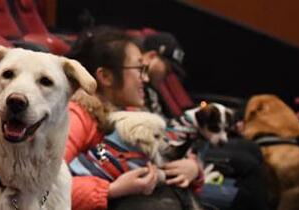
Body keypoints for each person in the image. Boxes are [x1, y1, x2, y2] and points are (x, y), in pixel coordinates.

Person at [65, 27, 203, 210]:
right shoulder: (75, 117)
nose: (145, 79)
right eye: (139, 69)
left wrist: (193, 169)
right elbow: (41, 188)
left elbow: (169, 148)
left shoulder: (130, 112)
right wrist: (110, 190)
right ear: (105, 76)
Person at [141, 31, 270, 210]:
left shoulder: (153, 90)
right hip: (168, 164)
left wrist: (194, 165)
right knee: (246, 183)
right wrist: (194, 166)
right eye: (167, 67)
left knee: (251, 153)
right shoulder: (138, 93)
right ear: (150, 57)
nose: (169, 75)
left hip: (184, 153)